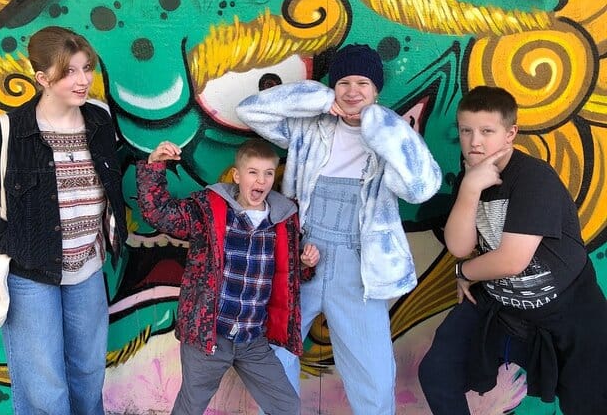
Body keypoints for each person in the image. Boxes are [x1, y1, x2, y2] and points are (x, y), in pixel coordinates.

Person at [236, 43, 442, 413]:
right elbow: (250, 110)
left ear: (376, 90)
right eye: (343, 82)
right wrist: (316, 98)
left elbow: (422, 188)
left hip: (359, 267)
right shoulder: (310, 128)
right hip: (302, 257)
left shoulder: (388, 140)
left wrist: (383, 126)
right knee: (276, 356)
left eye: (363, 83)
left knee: (373, 374)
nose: (352, 91)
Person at [0, 26, 128, 414]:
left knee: (88, 375)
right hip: (30, 277)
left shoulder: (99, 121)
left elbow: (110, 179)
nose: (82, 81)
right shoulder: (8, 133)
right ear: (42, 78)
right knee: (44, 388)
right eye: (69, 72)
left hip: (88, 269)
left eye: (86, 68)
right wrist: (16, 242)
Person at [418, 86, 607, 414]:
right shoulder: (471, 177)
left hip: (569, 310)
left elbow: (511, 260)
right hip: (503, 305)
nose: (475, 142)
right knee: (437, 372)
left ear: (510, 134)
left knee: (588, 403)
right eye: (466, 130)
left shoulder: (534, 178)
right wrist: (470, 188)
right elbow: (459, 246)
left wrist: (464, 272)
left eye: (487, 131)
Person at [136, 138, 319, 415]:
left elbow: (287, 275)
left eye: (268, 173)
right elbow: (160, 215)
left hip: (252, 340)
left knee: (287, 405)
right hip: (210, 337)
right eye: (253, 172)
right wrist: (154, 167)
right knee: (190, 407)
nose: (261, 180)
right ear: (237, 175)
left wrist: (304, 264)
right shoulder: (209, 210)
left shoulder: (283, 219)